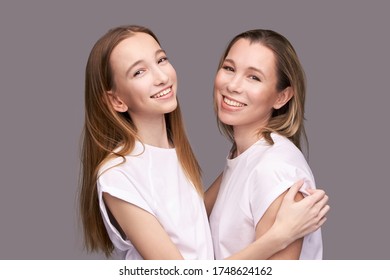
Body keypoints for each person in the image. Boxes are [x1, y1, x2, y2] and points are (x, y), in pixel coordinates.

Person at [79, 25, 329, 260]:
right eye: (139, 71)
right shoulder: (118, 174)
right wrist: (278, 236)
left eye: (161, 60)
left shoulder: (270, 167)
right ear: (116, 101)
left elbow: (194, 217)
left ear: (282, 96)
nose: (161, 77)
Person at [208, 29, 323, 259]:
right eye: (229, 68)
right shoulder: (245, 157)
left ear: (282, 97)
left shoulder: (274, 170)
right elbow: (188, 224)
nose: (233, 85)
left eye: (254, 77)